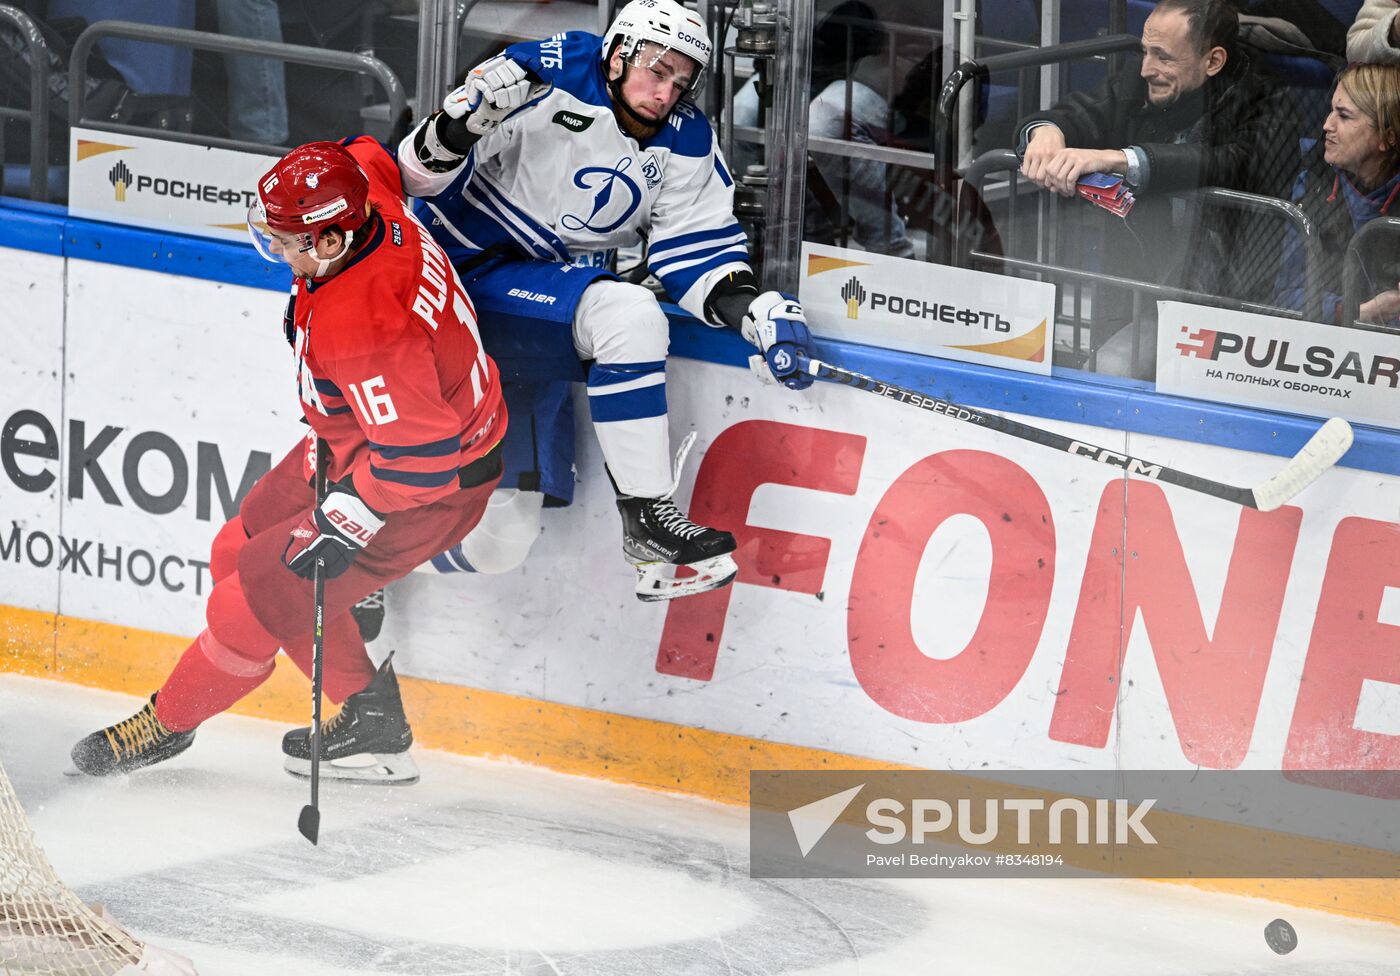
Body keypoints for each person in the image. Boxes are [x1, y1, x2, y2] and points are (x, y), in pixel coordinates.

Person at [69, 138, 508, 785]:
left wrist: (344, 522)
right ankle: (360, 693)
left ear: (331, 241)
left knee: (251, 600)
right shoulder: (364, 196)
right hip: (357, 444)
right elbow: (368, 153)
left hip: (426, 489)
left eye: (288, 239)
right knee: (233, 550)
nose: (277, 248)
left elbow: (422, 461)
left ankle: (176, 723)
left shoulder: (366, 325)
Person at [397, 0, 815, 602]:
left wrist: (756, 313)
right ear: (617, 52)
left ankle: (366, 568)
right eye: (656, 68)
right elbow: (413, 176)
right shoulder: (544, 80)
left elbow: (696, 254)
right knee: (628, 315)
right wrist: (460, 122)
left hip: (541, 306)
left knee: (501, 539)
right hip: (448, 289)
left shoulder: (685, 139)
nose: (666, 90)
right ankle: (648, 521)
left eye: (681, 79)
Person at [1016, 0, 1300, 378]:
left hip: (1231, 304)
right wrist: (1047, 132)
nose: (1147, 68)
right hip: (1138, 292)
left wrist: (1119, 159)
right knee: (1106, 374)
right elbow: (1082, 111)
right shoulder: (1141, 76)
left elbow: (1234, 163)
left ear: (1213, 61)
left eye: (1163, 57)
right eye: (1144, 51)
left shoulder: (1267, 99)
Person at [730, 0, 916, 257]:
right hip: (807, 56)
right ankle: (783, 235)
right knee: (739, 115)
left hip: (885, 52)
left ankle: (891, 249)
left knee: (823, 123)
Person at [1275, 61, 1400, 325]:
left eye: (1343, 116)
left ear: (1387, 137)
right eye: (1331, 111)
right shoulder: (1312, 182)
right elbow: (1284, 295)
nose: (1326, 125)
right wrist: (1354, 312)